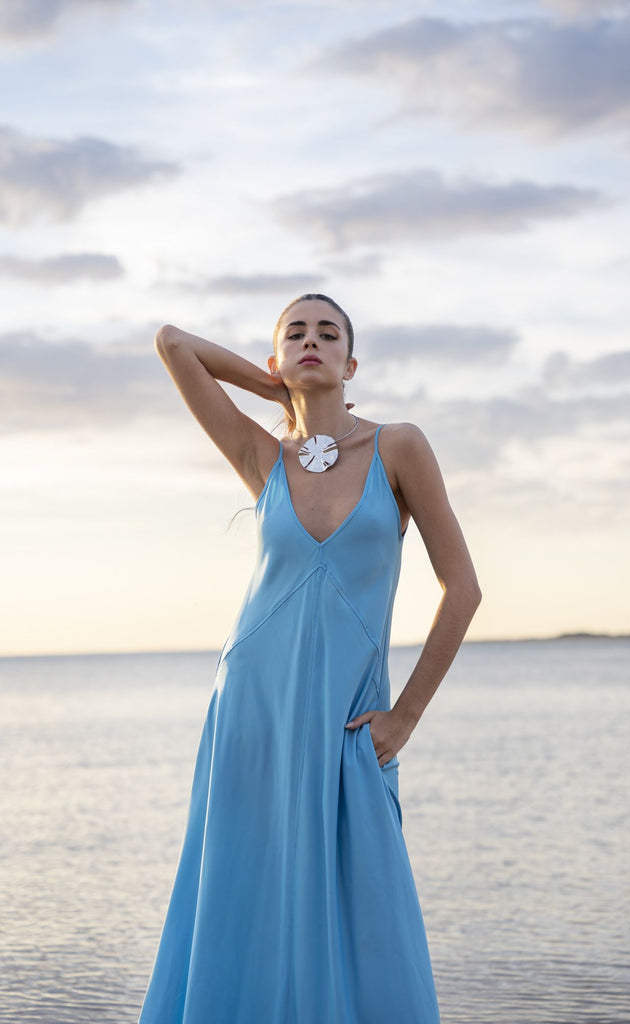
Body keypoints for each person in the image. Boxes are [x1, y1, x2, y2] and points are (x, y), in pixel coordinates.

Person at [138, 293, 482, 1023]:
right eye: (295, 334)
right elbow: (174, 343)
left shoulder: (400, 447)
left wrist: (406, 716)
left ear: (353, 364)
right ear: (274, 359)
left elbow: (464, 589)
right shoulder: (264, 458)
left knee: (365, 900)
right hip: (252, 712)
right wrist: (274, 389)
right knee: (243, 890)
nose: (312, 340)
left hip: (348, 721)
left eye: (329, 334)